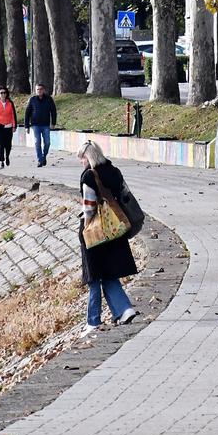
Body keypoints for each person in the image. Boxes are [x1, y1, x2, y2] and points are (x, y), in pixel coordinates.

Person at [78, 139, 139, 335]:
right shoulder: (114, 171)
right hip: (117, 230)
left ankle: (93, 321)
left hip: (98, 234)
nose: (81, 162)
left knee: (95, 276)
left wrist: (86, 226)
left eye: (81, 158)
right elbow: (124, 194)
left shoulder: (89, 176)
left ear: (87, 157)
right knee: (109, 273)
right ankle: (124, 310)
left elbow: (89, 207)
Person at [24, 83, 57, 167]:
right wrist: (26, 126)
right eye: (37, 89)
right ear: (35, 90)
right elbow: (27, 113)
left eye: (41, 89)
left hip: (46, 125)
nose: (39, 91)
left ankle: (43, 156)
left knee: (47, 143)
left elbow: (53, 112)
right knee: (37, 142)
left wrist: (53, 123)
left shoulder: (49, 99)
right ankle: (40, 160)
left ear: (44, 90)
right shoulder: (32, 100)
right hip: (35, 125)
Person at [0, 86, 18, 168]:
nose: (3, 94)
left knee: (8, 144)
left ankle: (7, 156)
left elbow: (13, 115)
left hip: (8, 125)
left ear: (7, 94)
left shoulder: (10, 103)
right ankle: (1, 161)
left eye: (4, 93)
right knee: (1, 143)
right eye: (1, 93)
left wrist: (14, 125)